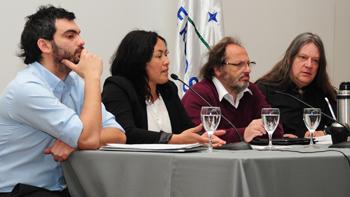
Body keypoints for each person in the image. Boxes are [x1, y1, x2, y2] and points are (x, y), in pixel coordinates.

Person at [0, 5, 126, 197]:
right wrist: (92, 77)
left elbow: (118, 134)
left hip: (59, 189)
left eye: (79, 34)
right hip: (18, 190)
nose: (82, 42)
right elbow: (90, 139)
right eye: (70, 36)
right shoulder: (27, 88)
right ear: (45, 45)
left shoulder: (74, 81)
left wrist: (74, 142)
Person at [102, 30, 226, 146]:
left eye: (166, 54)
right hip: (134, 164)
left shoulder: (168, 89)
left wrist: (200, 137)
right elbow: (126, 133)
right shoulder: (117, 88)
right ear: (139, 61)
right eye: (159, 56)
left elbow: (185, 129)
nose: (167, 61)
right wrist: (173, 139)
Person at [182, 37, 283, 143]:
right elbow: (200, 136)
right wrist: (244, 133)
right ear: (218, 69)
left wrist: (248, 134)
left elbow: (276, 131)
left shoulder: (252, 90)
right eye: (239, 65)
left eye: (248, 64)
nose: (248, 70)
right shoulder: (198, 95)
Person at [256, 32, 336, 138]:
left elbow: (342, 127)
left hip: (316, 153)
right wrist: (278, 138)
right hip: (277, 153)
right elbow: (251, 129)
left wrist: (325, 133)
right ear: (290, 59)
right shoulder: (264, 89)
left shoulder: (325, 93)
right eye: (303, 57)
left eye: (315, 61)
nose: (309, 65)